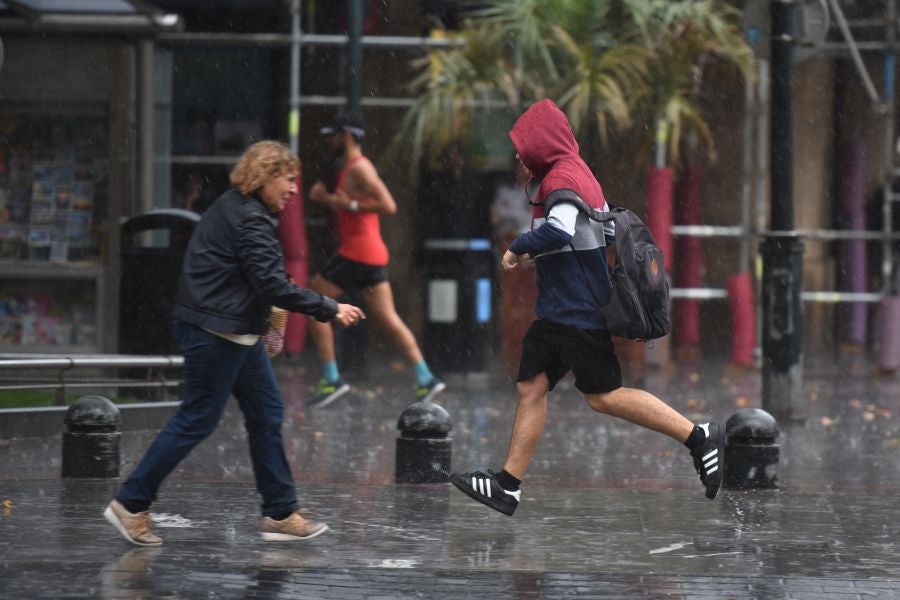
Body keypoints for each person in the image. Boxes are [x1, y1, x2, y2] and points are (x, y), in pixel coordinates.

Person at [449, 99, 725, 516]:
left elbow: (560, 230)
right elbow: (599, 229)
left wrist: (518, 248)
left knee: (604, 396)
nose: (521, 157)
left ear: (543, 143)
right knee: (531, 387)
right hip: (559, 311)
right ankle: (507, 486)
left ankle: (698, 436)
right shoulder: (579, 174)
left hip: (578, 312)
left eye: (525, 147)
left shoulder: (561, 179)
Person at [104, 140, 365, 546]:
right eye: (289, 179)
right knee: (198, 419)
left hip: (231, 332)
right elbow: (272, 284)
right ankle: (131, 502)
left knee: (266, 413)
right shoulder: (249, 218)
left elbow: (257, 281)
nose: (295, 189)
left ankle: (279, 512)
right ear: (264, 175)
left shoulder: (236, 208)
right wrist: (329, 307)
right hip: (216, 333)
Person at [306, 112, 444, 408]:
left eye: (333, 136)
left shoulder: (361, 168)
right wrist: (330, 200)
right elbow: (352, 207)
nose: (328, 142)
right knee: (388, 318)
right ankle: (425, 377)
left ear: (347, 136)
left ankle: (331, 379)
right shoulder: (352, 168)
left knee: (313, 301)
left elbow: (387, 205)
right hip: (370, 254)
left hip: (358, 252)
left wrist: (347, 203)